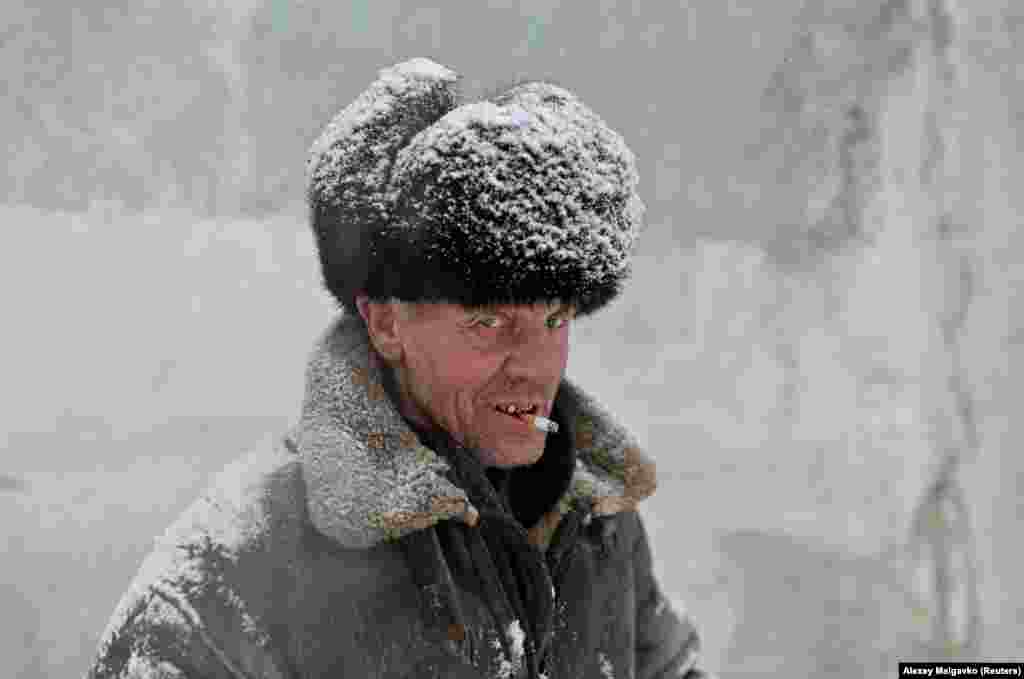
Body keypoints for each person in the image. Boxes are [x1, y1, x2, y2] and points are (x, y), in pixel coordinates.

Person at [85, 58, 713, 679]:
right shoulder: (233, 579)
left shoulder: (596, 520)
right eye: (489, 323)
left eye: (556, 319)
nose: (536, 369)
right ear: (385, 323)